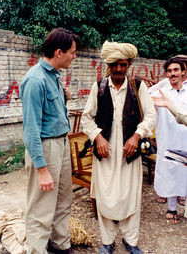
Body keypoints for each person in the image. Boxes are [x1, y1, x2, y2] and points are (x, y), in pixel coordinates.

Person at [81, 41, 156, 254]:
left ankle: (130, 241)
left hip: (128, 154)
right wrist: (98, 137)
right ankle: (107, 241)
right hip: (105, 153)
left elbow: (151, 115)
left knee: (130, 196)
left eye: (123, 65)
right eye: (115, 65)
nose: (119, 69)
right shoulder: (99, 87)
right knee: (105, 196)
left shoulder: (138, 87)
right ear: (109, 64)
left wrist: (136, 136)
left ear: (129, 64)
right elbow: (87, 118)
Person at [20, 28, 80, 254]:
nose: (74, 56)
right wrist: (42, 168)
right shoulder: (35, 80)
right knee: (41, 207)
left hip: (61, 144)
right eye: (72, 52)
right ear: (58, 52)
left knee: (63, 200)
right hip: (45, 148)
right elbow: (31, 129)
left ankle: (60, 244)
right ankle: (38, 250)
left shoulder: (54, 75)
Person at [150, 58, 187, 224]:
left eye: (176, 70)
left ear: (183, 72)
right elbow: (143, 95)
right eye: (169, 71)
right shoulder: (161, 92)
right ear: (166, 74)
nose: (173, 73)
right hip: (168, 140)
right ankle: (171, 209)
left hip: (185, 140)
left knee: (184, 173)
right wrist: (162, 83)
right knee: (171, 173)